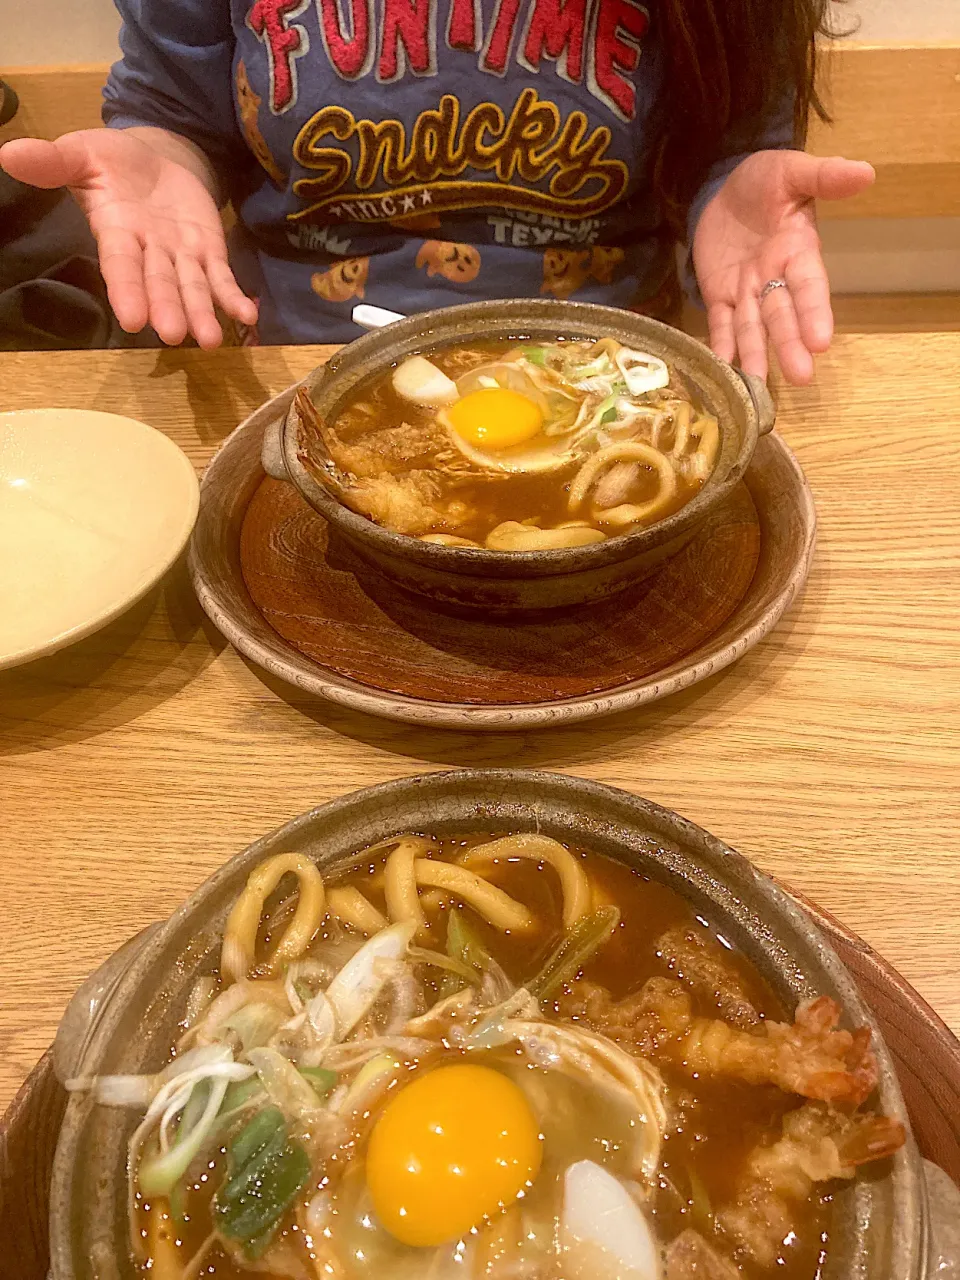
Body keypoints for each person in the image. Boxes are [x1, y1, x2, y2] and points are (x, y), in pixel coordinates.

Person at [0, 0, 873, 383]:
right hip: (295, 366)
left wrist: (731, 185)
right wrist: (161, 157)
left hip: (606, 372)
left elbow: (734, 137)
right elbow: (175, 115)